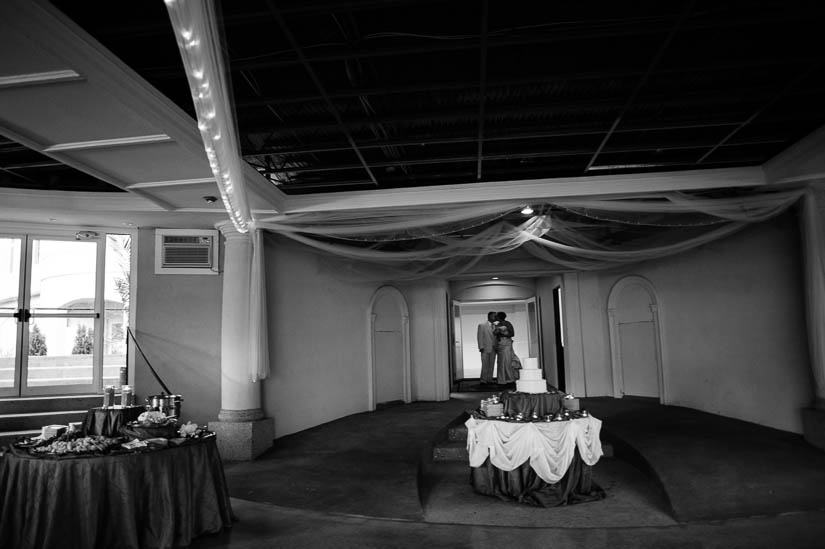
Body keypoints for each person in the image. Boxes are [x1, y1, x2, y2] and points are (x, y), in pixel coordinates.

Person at [494, 311, 519, 384]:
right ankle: (502, 380)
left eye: (497, 316)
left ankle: (510, 379)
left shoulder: (507, 323)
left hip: (506, 343)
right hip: (500, 344)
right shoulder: (498, 324)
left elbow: (512, 334)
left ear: (499, 317)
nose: (496, 317)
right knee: (500, 361)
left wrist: (503, 334)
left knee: (507, 361)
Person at [477, 311, 497, 385]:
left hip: (494, 348)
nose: (495, 317)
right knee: (485, 364)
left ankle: (489, 379)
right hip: (485, 347)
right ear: (489, 316)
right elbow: (480, 336)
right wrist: (481, 347)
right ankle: (483, 380)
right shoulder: (482, 325)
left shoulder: (495, 325)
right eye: (494, 316)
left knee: (492, 364)